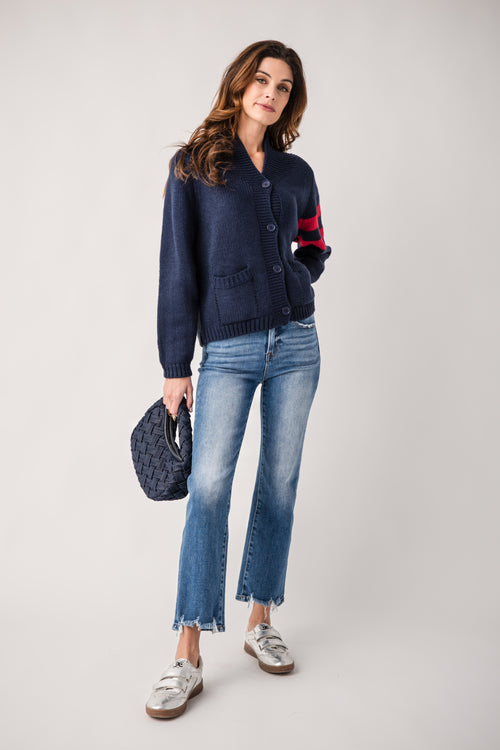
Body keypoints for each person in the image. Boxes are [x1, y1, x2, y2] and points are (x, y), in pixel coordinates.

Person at [145, 39, 332, 719]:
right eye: (262, 80)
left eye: (284, 87)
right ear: (239, 83)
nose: (271, 93)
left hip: (297, 346)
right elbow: (177, 269)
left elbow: (314, 243)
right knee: (209, 489)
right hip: (226, 348)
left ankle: (260, 620)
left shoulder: (295, 173)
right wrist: (176, 365)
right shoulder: (195, 166)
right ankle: (187, 651)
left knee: (279, 483)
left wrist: (298, 279)